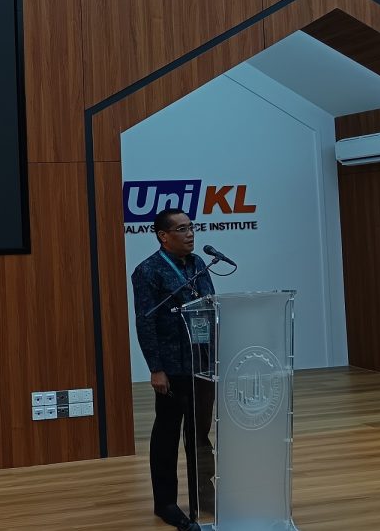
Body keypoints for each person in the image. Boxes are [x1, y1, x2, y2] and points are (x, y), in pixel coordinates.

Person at [131, 207, 216, 530]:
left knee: (200, 434)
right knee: (167, 435)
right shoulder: (148, 271)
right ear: (163, 236)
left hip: (202, 363)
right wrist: (156, 368)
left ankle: (204, 497)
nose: (190, 233)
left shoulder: (199, 264)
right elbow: (145, 322)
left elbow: (210, 306)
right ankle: (165, 503)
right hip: (171, 365)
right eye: (181, 229)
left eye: (191, 227)